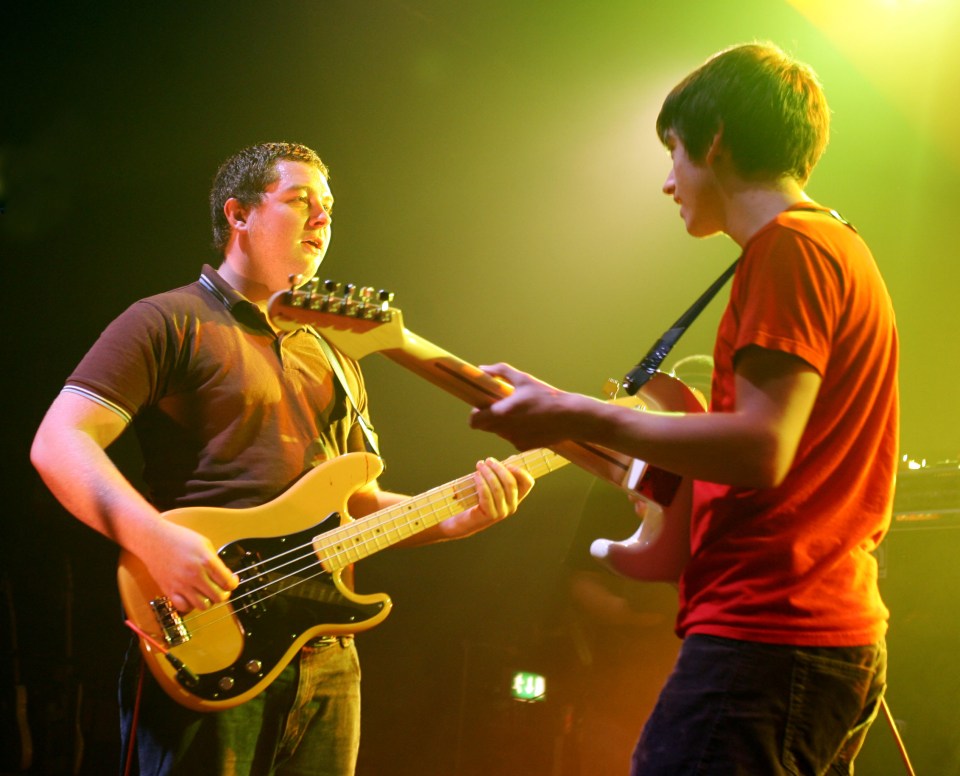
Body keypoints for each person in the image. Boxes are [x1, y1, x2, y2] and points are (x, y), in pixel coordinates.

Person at [29, 141, 534, 776]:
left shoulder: (339, 354)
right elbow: (58, 442)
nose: (322, 221)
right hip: (205, 630)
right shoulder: (165, 320)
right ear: (238, 215)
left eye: (329, 207)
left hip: (325, 650)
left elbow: (357, 507)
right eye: (301, 202)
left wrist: (457, 519)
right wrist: (154, 539)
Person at [470, 43, 898, 775]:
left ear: (718, 139)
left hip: (769, 633)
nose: (668, 181)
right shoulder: (832, 246)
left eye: (674, 150)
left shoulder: (790, 248)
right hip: (814, 634)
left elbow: (761, 449)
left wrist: (575, 413)